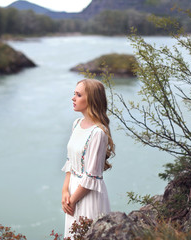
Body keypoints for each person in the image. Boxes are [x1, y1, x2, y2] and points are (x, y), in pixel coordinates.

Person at [61, 79, 115, 238]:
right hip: (72, 192)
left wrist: (72, 200)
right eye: (74, 94)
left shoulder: (99, 132)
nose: (73, 98)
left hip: (87, 196)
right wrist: (65, 190)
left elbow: (92, 176)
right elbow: (70, 161)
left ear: (91, 100)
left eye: (78, 95)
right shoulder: (76, 124)